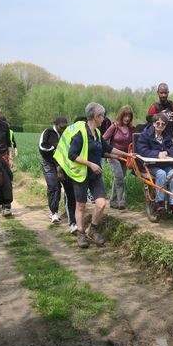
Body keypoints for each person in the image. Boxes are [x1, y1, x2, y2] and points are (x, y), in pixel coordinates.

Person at [54, 102, 131, 248]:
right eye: (102, 115)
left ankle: (93, 229)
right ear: (95, 117)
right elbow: (72, 155)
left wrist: (127, 154)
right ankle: (81, 233)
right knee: (81, 206)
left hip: (95, 176)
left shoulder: (97, 133)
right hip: (81, 175)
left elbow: (107, 148)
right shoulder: (81, 134)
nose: (104, 118)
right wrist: (90, 164)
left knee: (101, 204)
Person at [136, 113, 173, 214]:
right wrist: (157, 154)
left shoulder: (166, 135)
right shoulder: (146, 134)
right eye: (158, 123)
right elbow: (142, 150)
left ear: (165, 125)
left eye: (163, 124)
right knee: (161, 174)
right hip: (150, 165)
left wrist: (167, 152)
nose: (160, 126)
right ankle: (159, 202)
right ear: (153, 123)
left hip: (164, 164)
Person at [39, 116, 77, 231]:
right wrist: (56, 149)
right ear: (55, 125)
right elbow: (42, 146)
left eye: (65, 127)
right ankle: (54, 212)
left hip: (62, 163)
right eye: (61, 127)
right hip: (49, 162)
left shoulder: (67, 133)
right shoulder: (48, 132)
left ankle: (70, 215)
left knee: (69, 187)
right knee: (53, 186)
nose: (63, 129)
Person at [103, 105, 135, 210]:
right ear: (121, 116)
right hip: (113, 156)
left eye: (129, 116)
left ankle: (113, 201)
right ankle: (122, 201)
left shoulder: (131, 128)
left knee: (119, 178)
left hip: (125, 157)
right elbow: (102, 139)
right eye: (125, 116)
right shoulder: (114, 127)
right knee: (119, 177)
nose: (127, 118)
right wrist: (106, 152)